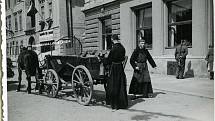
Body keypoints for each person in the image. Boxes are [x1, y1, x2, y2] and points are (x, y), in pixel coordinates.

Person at [105, 34, 128, 110]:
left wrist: (101, 60)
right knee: (121, 84)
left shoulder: (114, 48)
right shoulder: (122, 47)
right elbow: (123, 57)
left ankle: (115, 105)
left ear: (112, 39)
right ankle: (122, 104)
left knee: (113, 85)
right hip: (120, 67)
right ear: (117, 39)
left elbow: (109, 60)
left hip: (114, 67)